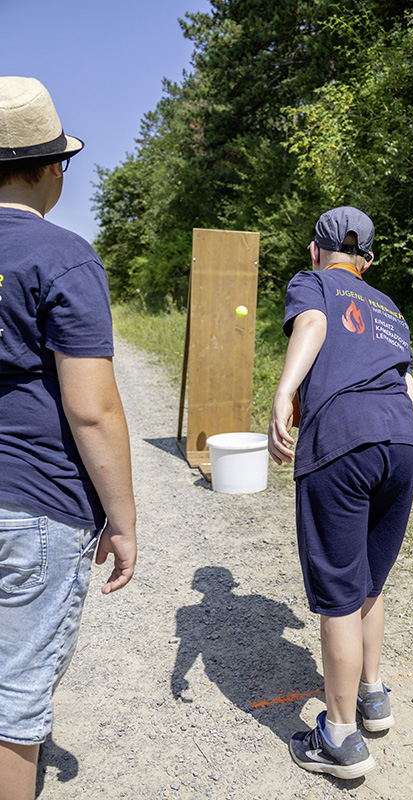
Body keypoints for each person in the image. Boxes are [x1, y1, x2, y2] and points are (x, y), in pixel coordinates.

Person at [0, 77, 137, 800]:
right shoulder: (64, 257)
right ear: (54, 167)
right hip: (32, 505)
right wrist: (123, 520)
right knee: (13, 701)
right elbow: (93, 412)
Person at [268, 206, 413, 779]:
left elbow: (312, 326)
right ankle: (372, 696)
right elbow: (407, 384)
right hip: (401, 442)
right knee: (370, 582)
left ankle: (339, 736)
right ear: (368, 261)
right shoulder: (389, 306)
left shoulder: (312, 283)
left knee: (339, 593)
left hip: (342, 441)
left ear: (316, 251)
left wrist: (283, 393)